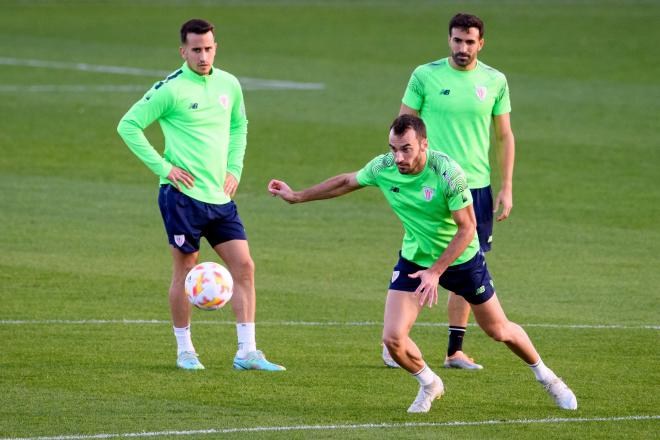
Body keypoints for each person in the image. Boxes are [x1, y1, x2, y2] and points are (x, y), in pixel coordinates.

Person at [268, 115, 576, 413]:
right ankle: (429, 383)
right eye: (393, 148)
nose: (398, 157)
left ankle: (547, 377)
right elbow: (346, 181)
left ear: (424, 145)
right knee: (393, 338)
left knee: (498, 330)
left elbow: (468, 228)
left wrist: (436, 271)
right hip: (415, 259)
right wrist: (297, 196)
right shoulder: (384, 167)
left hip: (462, 260)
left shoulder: (447, 173)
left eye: (406, 149)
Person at [117, 18, 284, 372]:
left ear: (215, 47)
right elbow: (128, 125)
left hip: (220, 197)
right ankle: (185, 350)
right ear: (183, 51)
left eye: (208, 48)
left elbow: (239, 126)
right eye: (196, 50)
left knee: (244, 267)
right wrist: (164, 168)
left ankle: (247, 352)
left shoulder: (229, 84)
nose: (203, 56)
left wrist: (234, 170)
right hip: (182, 198)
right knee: (185, 270)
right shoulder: (170, 89)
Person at [382, 12, 516, 370]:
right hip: (429, 182)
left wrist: (506, 186)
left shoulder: (494, 80)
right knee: (417, 253)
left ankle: (454, 350)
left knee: (467, 261)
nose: (463, 47)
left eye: (470, 42)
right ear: (449, 39)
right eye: (457, 40)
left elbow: (504, 135)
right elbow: (402, 126)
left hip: (476, 185)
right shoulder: (425, 75)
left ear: (481, 43)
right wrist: (397, 167)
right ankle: (396, 338)